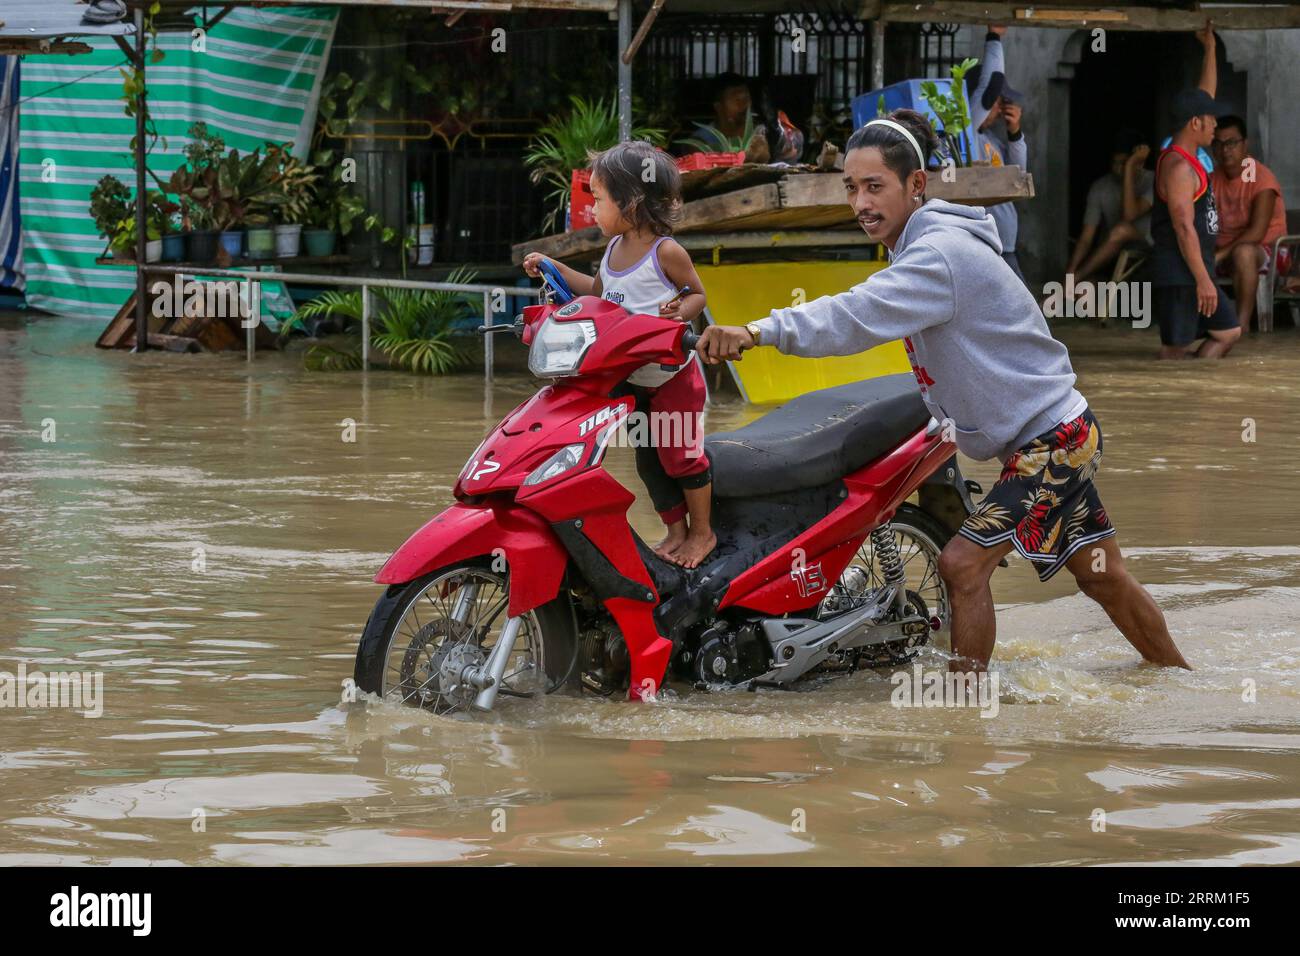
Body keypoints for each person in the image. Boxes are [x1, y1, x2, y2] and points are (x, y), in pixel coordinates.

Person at [695, 108, 1191, 674]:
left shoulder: (937, 257)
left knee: (962, 564)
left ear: (916, 185)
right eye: (852, 188)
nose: (861, 204)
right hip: (1054, 434)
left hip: (1053, 441)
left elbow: (851, 317)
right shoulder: (920, 246)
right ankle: (1178, 679)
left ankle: (962, 714)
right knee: (1103, 578)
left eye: (875, 187)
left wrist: (759, 331)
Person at [523, 141, 717, 569]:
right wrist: (553, 266)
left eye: (598, 198)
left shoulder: (665, 252)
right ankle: (675, 532)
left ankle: (703, 532)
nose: (592, 209)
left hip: (673, 377)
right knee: (649, 460)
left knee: (680, 455)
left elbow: (698, 294)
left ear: (630, 202)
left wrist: (679, 310)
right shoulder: (612, 251)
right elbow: (596, 293)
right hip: (632, 375)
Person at [1149, 20, 1240, 359]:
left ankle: (1196, 394)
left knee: (1229, 331)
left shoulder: (1192, 153)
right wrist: (1203, 279)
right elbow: (1183, 226)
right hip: (1181, 273)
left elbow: (1205, 96)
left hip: (1195, 269)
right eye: (1211, 120)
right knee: (1174, 351)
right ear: (1195, 123)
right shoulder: (1177, 166)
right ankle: (1172, 407)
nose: (1216, 126)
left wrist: (1211, 49)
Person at [1209, 114, 1290, 331]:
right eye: (1218, 143)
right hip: (1225, 252)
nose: (1225, 149)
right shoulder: (1211, 179)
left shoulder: (1262, 177)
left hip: (1268, 252)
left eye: (1232, 143)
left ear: (1245, 144)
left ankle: (1241, 326)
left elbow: (1256, 232)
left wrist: (1219, 254)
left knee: (1243, 252)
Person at [966, 24, 1028, 280]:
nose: (1001, 109)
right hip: (985, 244)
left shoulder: (990, 139)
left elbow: (1019, 173)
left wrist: (1015, 132)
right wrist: (994, 37)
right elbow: (992, 83)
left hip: (1005, 244)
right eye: (999, 103)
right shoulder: (966, 132)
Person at [1065, 133, 1154, 285]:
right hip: (1111, 253)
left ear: (1138, 163)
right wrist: (1070, 273)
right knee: (1083, 291)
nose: (1120, 168)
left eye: (1125, 163)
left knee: (1121, 230)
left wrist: (1130, 166)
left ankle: (1073, 281)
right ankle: (1072, 281)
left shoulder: (1153, 180)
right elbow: (1086, 238)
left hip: (1147, 248)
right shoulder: (1101, 187)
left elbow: (1129, 215)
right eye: (1116, 163)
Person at [677, 72, 802, 165]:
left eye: (746, 98)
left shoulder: (764, 132)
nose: (744, 104)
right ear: (719, 107)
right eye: (736, 99)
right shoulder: (702, 140)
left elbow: (793, 145)